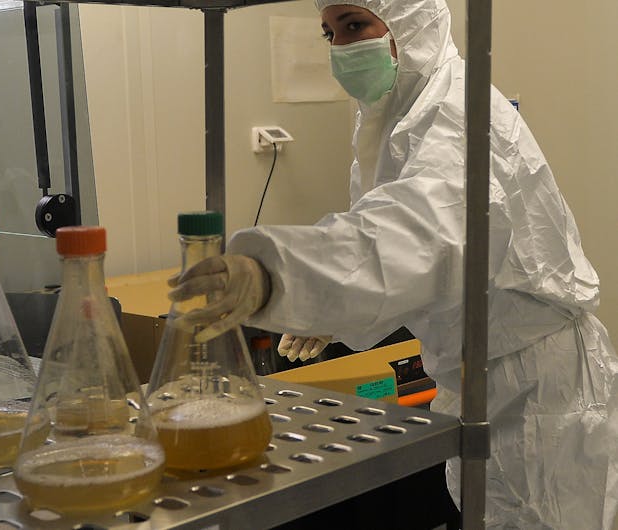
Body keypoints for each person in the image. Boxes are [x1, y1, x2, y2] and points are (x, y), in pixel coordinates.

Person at [168, 0, 618, 527]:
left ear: (411, 21)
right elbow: (417, 256)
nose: (342, 48)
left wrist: (276, 275)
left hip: (534, 389)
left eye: (356, 25)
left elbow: (419, 231)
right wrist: (332, 310)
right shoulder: (401, 113)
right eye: (329, 33)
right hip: (480, 373)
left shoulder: (459, 114)